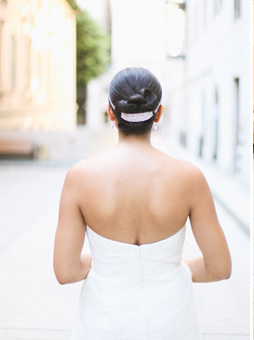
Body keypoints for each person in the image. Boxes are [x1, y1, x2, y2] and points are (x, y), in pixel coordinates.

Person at [53, 67, 231, 339]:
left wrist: (111, 262)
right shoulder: (190, 178)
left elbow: (65, 271)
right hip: (173, 319)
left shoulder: (80, 177)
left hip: (103, 320)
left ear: (111, 113)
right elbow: (220, 268)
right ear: (159, 113)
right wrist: (164, 265)